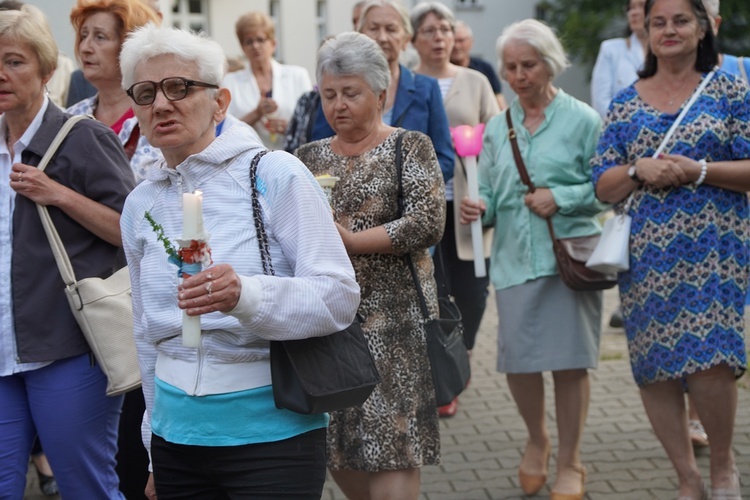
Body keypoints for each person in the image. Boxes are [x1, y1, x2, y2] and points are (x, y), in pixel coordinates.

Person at [119, 23, 359, 499]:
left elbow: (338, 296)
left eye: (179, 87)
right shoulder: (139, 204)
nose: (161, 104)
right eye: (145, 93)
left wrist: (245, 295)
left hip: (273, 435)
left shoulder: (273, 173)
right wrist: (151, 446)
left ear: (221, 102)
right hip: (176, 440)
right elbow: (146, 334)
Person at [590, 0, 749, 497]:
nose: (669, 30)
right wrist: (638, 169)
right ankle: (687, 478)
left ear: (704, 29)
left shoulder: (730, 90)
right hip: (647, 261)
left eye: (681, 20)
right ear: (645, 32)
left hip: (714, 255)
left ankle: (723, 467)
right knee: (655, 367)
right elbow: (603, 183)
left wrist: (697, 170)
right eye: (658, 22)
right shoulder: (623, 102)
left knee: (711, 359)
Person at [295, 31, 445, 500]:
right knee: (339, 446)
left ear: (381, 94)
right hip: (330, 326)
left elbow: (427, 221)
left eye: (351, 93)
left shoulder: (409, 146)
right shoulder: (304, 158)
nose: (338, 105)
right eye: (329, 94)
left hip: (396, 324)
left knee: (394, 446)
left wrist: (353, 242)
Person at [460, 19, 604, 500]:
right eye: (511, 67)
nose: (519, 75)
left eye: (529, 64)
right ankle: (537, 441)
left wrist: (560, 197)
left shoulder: (583, 119)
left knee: (569, 364)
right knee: (519, 363)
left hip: (571, 258)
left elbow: (606, 190)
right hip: (515, 259)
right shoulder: (497, 129)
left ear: (550, 64)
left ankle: (572, 459)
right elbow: (490, 195)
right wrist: (477, 206)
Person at [0, 5, 136, 499]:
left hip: (68, 348)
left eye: (14, 61)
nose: (1, 74)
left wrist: (57, 193)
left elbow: (133, 232)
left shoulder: (82, 138)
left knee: (86, 488)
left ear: (46, 70)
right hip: (2, 349)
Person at [411, 1, 499, 417]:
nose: (438, 38)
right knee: (426, 290)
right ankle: (439, 374)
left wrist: (486, 194)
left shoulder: (476, 81)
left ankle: (459, 354)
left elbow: (495, 141)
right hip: (422, 206)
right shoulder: (407, 85)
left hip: (466, 205)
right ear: (415, 40)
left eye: (444, 29)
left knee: (472, 292)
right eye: (428, 31)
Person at [306, 0, 453, 184]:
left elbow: (445, 159)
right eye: (374, 28)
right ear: (360, 35)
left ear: (406, 38)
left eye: (391, 29)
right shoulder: (338, 89)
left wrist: (402, 185)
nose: (382, 37)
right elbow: (322, 148)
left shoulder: (426, 88)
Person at [223, 11, 312, 149]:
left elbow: (311, 125)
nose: (255, 46)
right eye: (249, 41)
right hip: (248, 163)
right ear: (242, 47)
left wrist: (290, 129)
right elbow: (224, 132)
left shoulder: (298, 76)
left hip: (293, 159)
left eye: (260, 39)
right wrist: (256, 114)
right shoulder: (230, 82)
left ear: (273, 43)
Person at [591, 0, 648, 119]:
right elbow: (601, 103)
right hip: (620, 131)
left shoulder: (670, 53)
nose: (633, 13)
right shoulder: (611, 50)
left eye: (641, 6)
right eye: (631, 8)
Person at [451, 20, 507, 110]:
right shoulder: (440, 72)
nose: (456, 46)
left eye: (461, 41)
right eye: (453, 41)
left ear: (471, 41)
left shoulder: (484, 69)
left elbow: (499, 102)